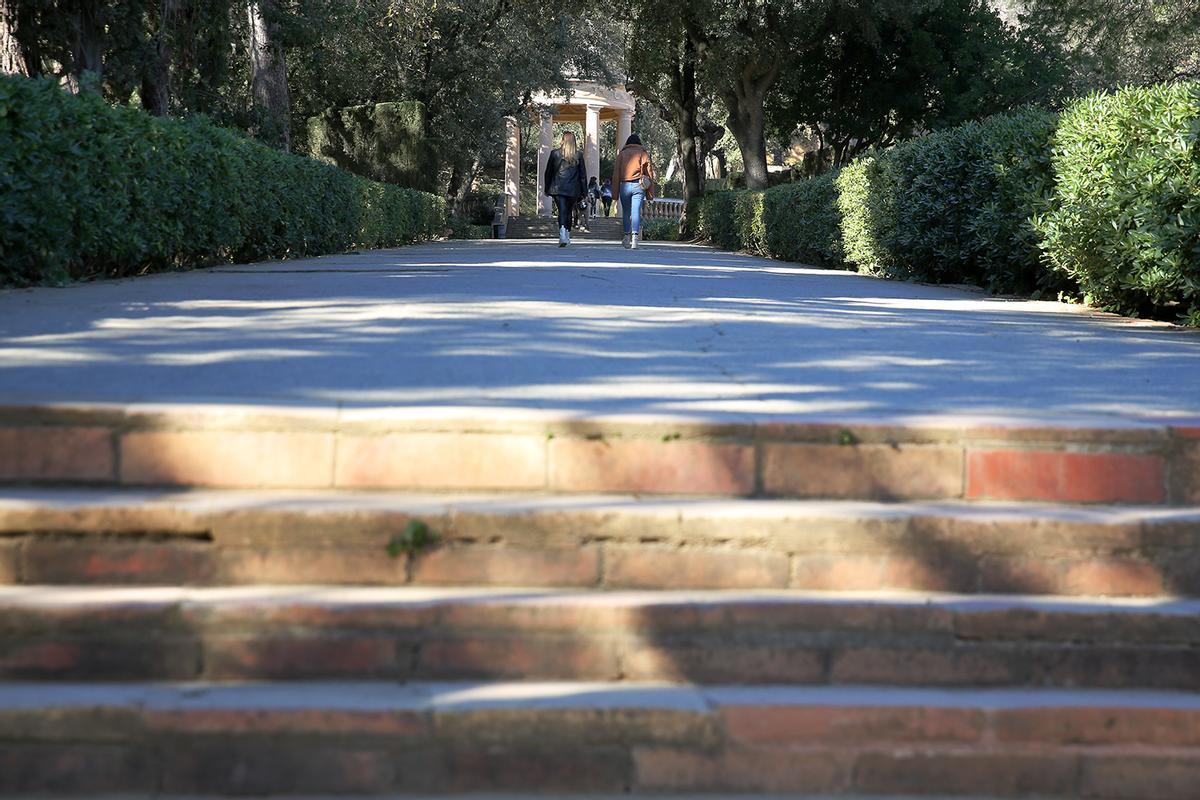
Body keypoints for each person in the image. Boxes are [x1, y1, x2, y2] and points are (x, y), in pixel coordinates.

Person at [543, 131, 587, 247]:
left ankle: (563, 232)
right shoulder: (578, 155)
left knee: (562, 211)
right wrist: (584, 192)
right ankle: (566, 234)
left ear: (562, 140)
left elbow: (548, 172)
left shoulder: (555, 154)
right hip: (573, 189)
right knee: (568, 211)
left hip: (558, 188)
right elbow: (583, 175)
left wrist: (547, 188)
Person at [612, 133, 655, 249]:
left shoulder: (621, 154)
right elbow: (649, 173)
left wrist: (614, 194)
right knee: (636, 211)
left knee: (626, 212)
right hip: (639, 185)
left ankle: (626, 238)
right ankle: (635, 239)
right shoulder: (643, 153)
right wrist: (650, 194)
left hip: (624, 185)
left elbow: (616, 174)